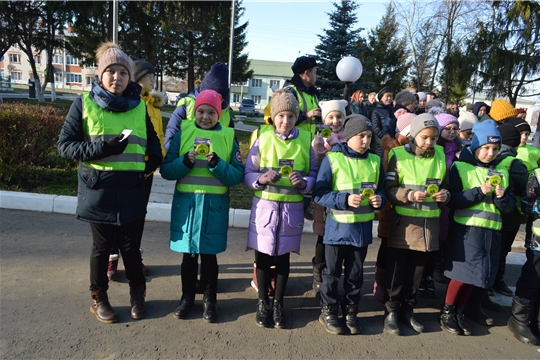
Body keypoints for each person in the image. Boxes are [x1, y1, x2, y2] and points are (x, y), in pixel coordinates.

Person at [57, 42, 162, 323]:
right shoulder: (83, 103)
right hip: (98, 188)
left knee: (131, 247)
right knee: (102, 249)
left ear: (130, 76)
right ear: (101, 75)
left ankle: (138, 296)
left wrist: (154, 157)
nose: (117, 77)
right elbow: (65, 146)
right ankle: (98, 298)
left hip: (132, 187)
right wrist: (103, 148)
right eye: (111, 72)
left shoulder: (139, 105)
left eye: (122, 73)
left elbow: (151, 139)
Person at [160, 89, 245, 323]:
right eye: (200, 111)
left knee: (209, 258)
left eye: (211, 112)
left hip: (213, 208)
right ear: (194, 112)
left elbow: (237, 175)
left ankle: (210, 300)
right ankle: (187, 298)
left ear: (219, 115)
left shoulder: (228, 138)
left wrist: (218, 165)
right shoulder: (182, 134)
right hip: (187, 208)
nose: (205, 117)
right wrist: (183, 163)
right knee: (188, 257)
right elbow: (166, 170)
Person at [244, 90, 317, 329]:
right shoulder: (262, 138)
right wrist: (262, 178)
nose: (286, 121)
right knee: (262, 257)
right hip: (265, 208)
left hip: (291, 210)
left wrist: (304, 182)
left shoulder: (307, 140)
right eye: (281, 116)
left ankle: (278, 303)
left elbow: (315, 174)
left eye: (291, 116)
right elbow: (248, 174)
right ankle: (263, 302)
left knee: (283, 258)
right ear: (273, 117)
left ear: (297, 117)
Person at [441, 120, 515, 336]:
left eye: (495, 149)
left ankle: (462, 312)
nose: (490, 153)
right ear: (475, 147)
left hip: (491, 232)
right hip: (467, 231)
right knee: (461, 275)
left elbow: (509, 206)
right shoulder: (460, 167)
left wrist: (502, 197)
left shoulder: (503, 171)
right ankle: (447, 312)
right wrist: (478, 192)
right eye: (485, 148)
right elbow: (453, 200)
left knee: (477, 275)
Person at [313, 114, 385, 335]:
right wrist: (343, 199)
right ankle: (329, 310)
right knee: (332, 273)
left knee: (355, 275)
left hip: (361, 231)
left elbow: (381, 189)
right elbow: (319, 193)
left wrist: (380, 199)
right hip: (336, 231)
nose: (366, 141)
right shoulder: (333, 159)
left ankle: (351, 311)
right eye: (361, 136)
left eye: (369, 136)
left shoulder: (374, 161)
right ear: (349, 136)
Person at [383, 113, 450, 336]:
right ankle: (391, 312)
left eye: (433, 138)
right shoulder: (398, 155)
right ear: (413, 136)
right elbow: (389, 189)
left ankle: (408, 310)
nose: (429, 143)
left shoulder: (440, 155)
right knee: (398, 271)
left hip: (428, 225)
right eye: (424, 138)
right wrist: (408, 194)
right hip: (404, 225)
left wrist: (445, 195)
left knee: (417, 273)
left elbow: (447, 186)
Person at [106, 56, 166, 281]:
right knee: (116, 217)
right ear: (139, 80)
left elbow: (157, 137)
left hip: (147, 171)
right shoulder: (128, 102)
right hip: (126, 168)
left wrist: (160, 158)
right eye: (149, 76)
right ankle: (111, 260)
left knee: (138, 217)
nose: (152, 80)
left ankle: (134, 258)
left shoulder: (153, 104)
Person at [373, 110, 416, 302]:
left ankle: (395, 283)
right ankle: (380, 282)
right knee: (386, 245)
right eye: (409, 134)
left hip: (411, 208)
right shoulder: (391, 151)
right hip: (390, 207)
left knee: (402, 250)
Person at [418, 113, 462, 299]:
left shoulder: (459, 149)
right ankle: (423, 277)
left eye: (454, 128)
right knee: (427, 240)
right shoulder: (435, 150)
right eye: (448, 128)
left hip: (448, 199)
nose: (451, 132)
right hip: (430, 200)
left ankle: (430, 275)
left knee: (439, 241)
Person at [310, 99, 348, 299]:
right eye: (330, 117)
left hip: (343, 193)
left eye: (339, 116)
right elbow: (315, 167)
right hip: (325, 193)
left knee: (340, 235)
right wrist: (319, 149)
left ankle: (333, 274)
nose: (335, 121)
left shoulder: (349, 137)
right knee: (322, 235)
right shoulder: (319, 138)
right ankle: (319, 270)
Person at [164, 62, 234, 151]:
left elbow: (232, 147)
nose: (205, 117)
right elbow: (170, 140)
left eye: (217, 97)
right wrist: (181, 161)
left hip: (217, 164)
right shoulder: (185, 107)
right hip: (185, 162)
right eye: (201, 112)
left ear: (222, 99)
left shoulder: (226, 113)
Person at [508, 168, 540, 345]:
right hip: (539, 242)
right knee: (532, 280)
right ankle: (520, 320)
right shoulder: (537, 174)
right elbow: (528, 204)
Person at [284, 56, 321, 135]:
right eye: (315, 72)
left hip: (309, 141)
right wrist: (307, 115)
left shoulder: (313, 94)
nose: (316, 76)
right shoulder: (290, 91)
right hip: (294, 141)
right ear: (307, 73)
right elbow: (285, 118)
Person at [371, 86, 393, 157]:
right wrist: (385, 138)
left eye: (391, 96)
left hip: (392, 141)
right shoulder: (376, 111)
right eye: (387, 96)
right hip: (381, 143)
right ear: (381, 98)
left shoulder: (392, 109)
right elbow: (376, 128)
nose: (389, 98)